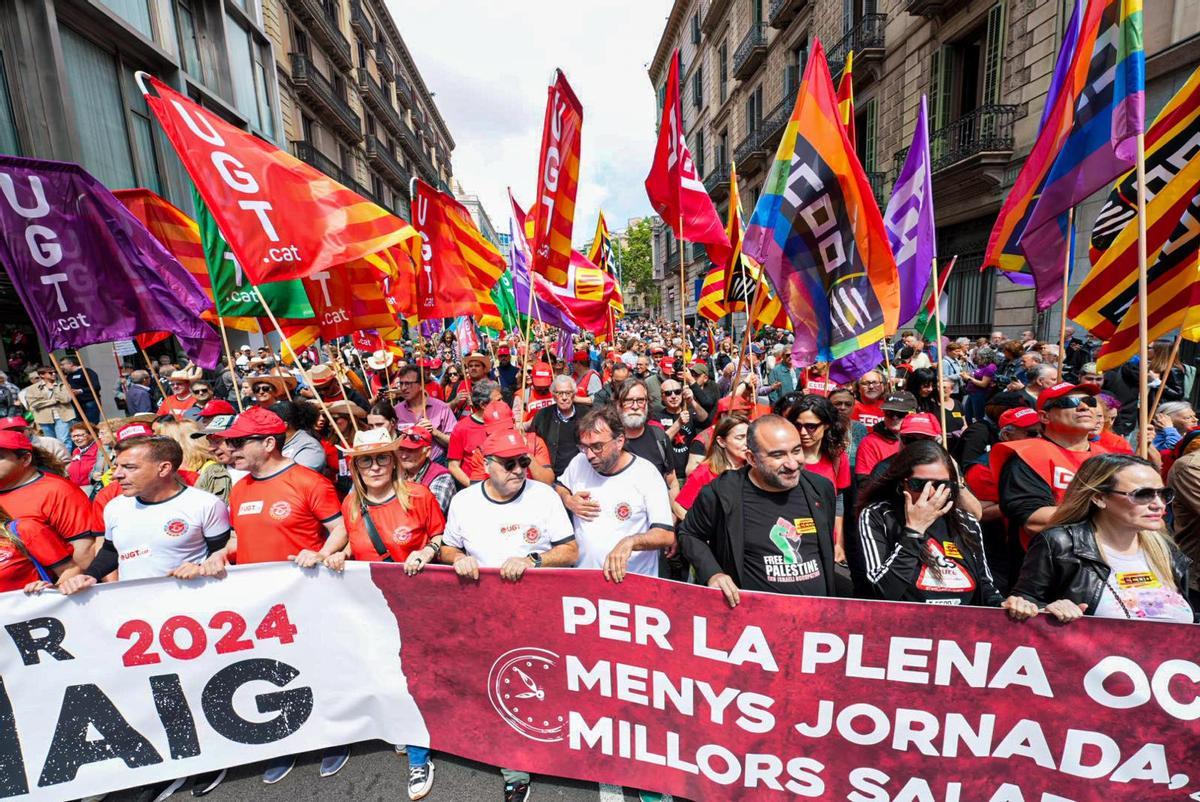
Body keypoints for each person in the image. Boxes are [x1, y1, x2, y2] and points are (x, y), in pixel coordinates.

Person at [48, 430, 231, 799]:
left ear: (164, 468)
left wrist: (208, 564)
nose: (117, 474)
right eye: (117, 466)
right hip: (136, 621)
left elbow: (225, 552)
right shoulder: (115, 506)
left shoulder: (204, 505)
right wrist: (89, 574)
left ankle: (214, 758)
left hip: (190, 618)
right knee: (154, 691)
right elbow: (112, 552)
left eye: (129, 467)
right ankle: (167, 766)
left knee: (196, 688)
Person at [439, 427, 578, 802]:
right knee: (504, 689)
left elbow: (569, 551)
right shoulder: (465, 502)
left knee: (546, 683)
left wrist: (533, 559)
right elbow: (448, 549)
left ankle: (561, 751)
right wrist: (459, 558)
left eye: (524, 462)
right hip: (485, 614)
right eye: (509, 463)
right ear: (486, 465)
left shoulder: (544, 496)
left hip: (539, 611)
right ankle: (515, 766)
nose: (519, 470)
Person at [213, 406, 351, 782]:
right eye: (230, 442)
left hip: (305, 596)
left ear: (269, 443)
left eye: (240, 442)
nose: (231, 448)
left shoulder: (308, 481)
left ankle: (334, 736)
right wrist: (220, 553)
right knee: (273, 670)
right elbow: (239, 537)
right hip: (258, 601)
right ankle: (289, 738)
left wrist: (321, 554)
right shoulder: (240, 488)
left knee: (316, 665)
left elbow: (339, 530)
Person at [337, 428, 446, 800]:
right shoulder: (351, 503)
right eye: (366, 460)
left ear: (395, 460)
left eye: (383, 457)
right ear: (355, 466)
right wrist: (338, 554)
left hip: (419, 606)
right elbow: (354, 542)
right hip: (375, 608)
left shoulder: (418, 495)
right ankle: (409, 729)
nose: (375, 466)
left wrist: (426, 553)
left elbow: (441, 538)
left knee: (412, 679)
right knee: (388, 677)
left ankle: (420, 757)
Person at [1005, 453, 1194, 623]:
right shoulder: (1061, 542)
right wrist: (1048, 611)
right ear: (1099, 498)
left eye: (1163, 494)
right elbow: (1022, 606)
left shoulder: (1165, 548)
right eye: (1143, 494)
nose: (1158, 504)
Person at [678, 415, 839, 607]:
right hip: (753, 625)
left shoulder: (820, 489)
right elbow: (689, 533)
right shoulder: (722, 493)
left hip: (814, 621)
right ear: (752, 458)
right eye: (778, 455)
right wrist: (713, 573)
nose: (793, 464)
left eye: (796, 451)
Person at [856, 440, 1002, 606]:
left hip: (961, 626)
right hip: (903, 625)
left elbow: (986, 588)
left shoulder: (965, 521)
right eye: (919, 484)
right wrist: (913, 531)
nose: (931, 492)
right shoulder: (878, 516)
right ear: (901, 483)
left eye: (941, 485)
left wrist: (1006, 605)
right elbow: (880, 592)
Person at [556, 405, 674, 580]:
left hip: (630, 586)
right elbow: (560, 486)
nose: (589, 455)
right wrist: (568, 499)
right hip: (585, 581)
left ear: (619, 441)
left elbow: (665, 534)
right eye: (584, 447)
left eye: (597, 446)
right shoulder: (578, 462)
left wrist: (631, 542)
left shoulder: (646, 474)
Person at [0, 429, 98, 565]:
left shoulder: (58, 490)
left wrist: (65, 581)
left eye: (0, 457)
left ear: (25, 459)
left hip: (47, 583)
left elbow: (84, 551)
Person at [780, 395, 850, 562]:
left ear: (826, 425)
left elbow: (838, 501)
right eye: (798, 425)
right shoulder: (782, 458)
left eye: (811, 426)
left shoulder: (837, 458)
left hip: (824, 539)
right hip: (789, 541)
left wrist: (838, 542)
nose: (803, 432)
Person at [675, 413, 750, 514]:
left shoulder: (754, 469)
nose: (747, 443)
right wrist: (696, 528)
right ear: (721, 441)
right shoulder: (704, 472)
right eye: (740, 438)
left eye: (748, 437)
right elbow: (679, 506)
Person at [615, 379, 678, 498]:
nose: (635, 406)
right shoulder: (606, 439)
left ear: (647, 404)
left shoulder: (660, 437)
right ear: (618, 405)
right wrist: (568, 498)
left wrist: (672, 513)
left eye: (640, 400)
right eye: (628, 401)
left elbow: (672, 481)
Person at [391, 365, 456, 464]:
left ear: (421, 384)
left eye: (408, 383)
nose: (403, 388)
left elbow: (455, 442)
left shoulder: (441, 408)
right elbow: (392, 443)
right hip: (406, 466)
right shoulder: (396, 411)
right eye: (401, 383)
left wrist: (435, 432)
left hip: (438, 463)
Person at [854, 391, 916, 486]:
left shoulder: (923, 438)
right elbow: (865, 483)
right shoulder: (870, 442)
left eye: (900, 414)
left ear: (913, 413)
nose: (894, 417)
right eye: (889, 413)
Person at [447, 381, 498, 487]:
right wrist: (473, 488)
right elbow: (453, 466)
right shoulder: (461, 428)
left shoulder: (505, 423)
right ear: (483, 405)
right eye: (498, 400)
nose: (504, 404)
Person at [395, 427, 456, 515]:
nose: (404, 456)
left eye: (411, 450)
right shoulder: (395, 471)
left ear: (427, 452)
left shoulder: (442, 477)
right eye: (401, 449)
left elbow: (431, 514)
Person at [531, 375, 581, 477]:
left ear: (574, 394)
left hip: (581, 475)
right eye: (559, 393)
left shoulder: (586, 414)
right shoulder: (543, 416)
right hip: (553, 477)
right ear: (553, 395)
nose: (564, 398)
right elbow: (533, 443)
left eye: (568, 393)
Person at [655, 377, 697, 482]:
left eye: (677, 392)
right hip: (670, 475)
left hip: (691, 473)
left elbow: (706, 420)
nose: (673, 396)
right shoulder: (656, 417)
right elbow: (660, 442)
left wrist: (692, 401)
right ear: (662, 397)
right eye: (668, 393)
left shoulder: (690, 412)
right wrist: (678, 423)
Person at [270, 400, 328, 473]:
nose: (264, 426)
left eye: (269, 422)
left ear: (284, 425)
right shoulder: (272, 445)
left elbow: (296, 478)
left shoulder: (310, 448)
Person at [25, 365, 77, 446]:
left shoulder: (63, 385)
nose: (54, 374)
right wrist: (53, 401)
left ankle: (65, 458)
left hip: (63, 416)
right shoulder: (32, 389)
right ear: (42, 375)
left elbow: (66, 399)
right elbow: (34, 404)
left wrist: (54, 388)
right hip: (44, 418)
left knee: (64, 440)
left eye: (55, 372)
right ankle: (55, 458)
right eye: (50, 373)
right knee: (50, 441)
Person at [58, 356, 101, 424]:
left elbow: (96, 386)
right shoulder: (69, 376)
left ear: (71, 364)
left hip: (89, 402)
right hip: (76, 404)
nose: (61, 367)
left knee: (92, 424)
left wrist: (80, 391)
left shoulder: (87, 371)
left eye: (63, 364)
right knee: (80, 425)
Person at [66, 422, 101, 490]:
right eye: (73, 436)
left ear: (92, 434)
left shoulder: (100, 449)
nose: (76, 439)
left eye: (80, 435)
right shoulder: (76, 451)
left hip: (94, 489)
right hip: (77, 490)